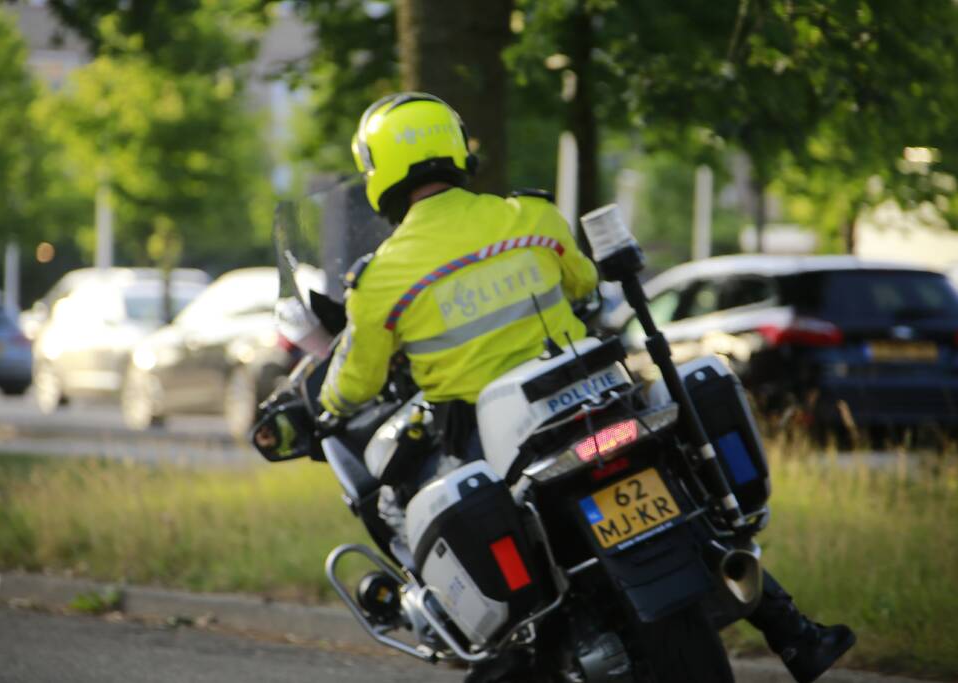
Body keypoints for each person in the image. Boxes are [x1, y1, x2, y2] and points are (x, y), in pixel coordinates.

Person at [318, 91, 855, 683]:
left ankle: (500, 644)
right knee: (691, 505)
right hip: (603, 400)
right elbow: (584, 285)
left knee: (420, 505)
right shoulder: (531, 217)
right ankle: (792, 631)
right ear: (454, 147)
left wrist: (327, 405)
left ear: (379, 170)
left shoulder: (380, 277)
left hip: (501, 433)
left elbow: (356, 380)